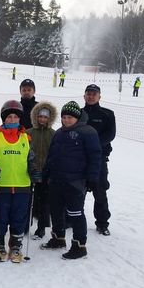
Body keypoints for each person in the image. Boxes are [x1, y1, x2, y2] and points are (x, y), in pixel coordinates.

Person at [40, 101, 102, 259]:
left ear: (77, 118)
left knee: (75, 213)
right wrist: (46, 172)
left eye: (70, 117)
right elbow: (52, 155)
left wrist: (92, 179)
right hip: (56, 180)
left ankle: (79, 245)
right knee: (55, 210)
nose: (66, 120)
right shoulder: (60, 132)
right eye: (64, 117)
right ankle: (58, 238)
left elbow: (95, 156)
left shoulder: (88, 132)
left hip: (75, 182)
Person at [0, 100, 40, 263]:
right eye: (9, 117)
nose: (12, 120)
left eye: (15, 117)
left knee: (19, 217)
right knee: (0, 217)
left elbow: (31, 160)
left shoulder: (25, 138)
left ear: (20, 119)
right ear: (4, 119)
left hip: (22, 186)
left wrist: (33, 171)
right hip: (0, 185)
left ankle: (16, 245)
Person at [81, 84, 116, 236]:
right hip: (79, 158)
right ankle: (72, 218)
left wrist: (93, 145)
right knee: (77, 190)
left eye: (94, 94)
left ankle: (102, 223)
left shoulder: (107, 114)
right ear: (84, 96)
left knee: (100, 191)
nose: (91, 96)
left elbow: (110, 135)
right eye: (88, 93)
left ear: (99, 96)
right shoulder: (78, 113)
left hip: (99, 160)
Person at [25, 101, 57, 239]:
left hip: (46, 173)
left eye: (45, 117)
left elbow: (56, 153)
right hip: (30, 172)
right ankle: (25, 224)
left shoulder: (54, 134)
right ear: (35, 117)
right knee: (28, 200)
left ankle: (41, 227)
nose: (42, 119)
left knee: (44, 201)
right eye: (40, 117)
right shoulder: (29, 133)